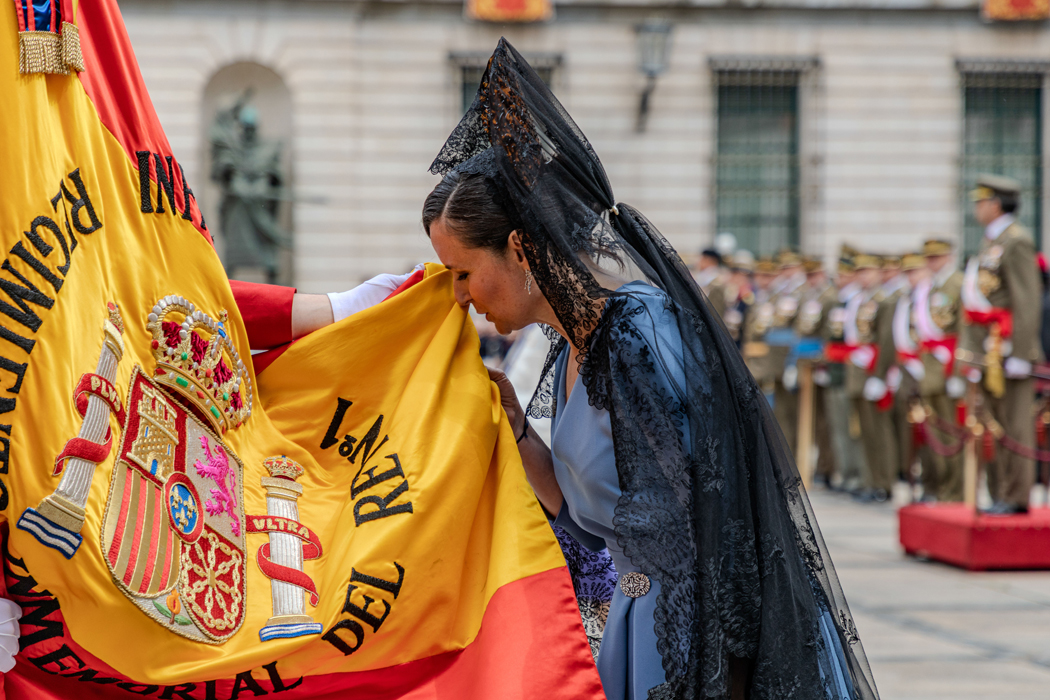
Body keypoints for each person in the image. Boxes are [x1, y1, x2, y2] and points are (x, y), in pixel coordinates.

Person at [422, 39, 877, 700]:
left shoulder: (636, 335)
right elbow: (593, 522)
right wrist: (519, 432)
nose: (460, 296)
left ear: (519, 249)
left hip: (693, 649)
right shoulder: (569, 347)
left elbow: (714, 532)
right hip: (640, 630)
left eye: (463, 274)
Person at [959, 175, 1043, 514]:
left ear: (996, 204)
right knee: (997, 425)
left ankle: (1017, 495)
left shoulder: (1016, 241)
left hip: (1010, 350)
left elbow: (1026, 300)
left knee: (1016, 424)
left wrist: (1022, 352)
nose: (976, 209)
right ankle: (1002, 492)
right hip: (992, 351)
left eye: (981, 202)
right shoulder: (992, 242)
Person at [916, 239, 965, 502]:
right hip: (931, 368)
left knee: (951, 433)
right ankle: (943, 488)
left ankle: (955, 491)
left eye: (936, 257)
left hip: (948, 367)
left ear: (948, 256)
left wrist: (958, 372)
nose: (931, 262)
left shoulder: (957, 283)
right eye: (928, 258)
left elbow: (962, 330)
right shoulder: (932, 286)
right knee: (937, 433)